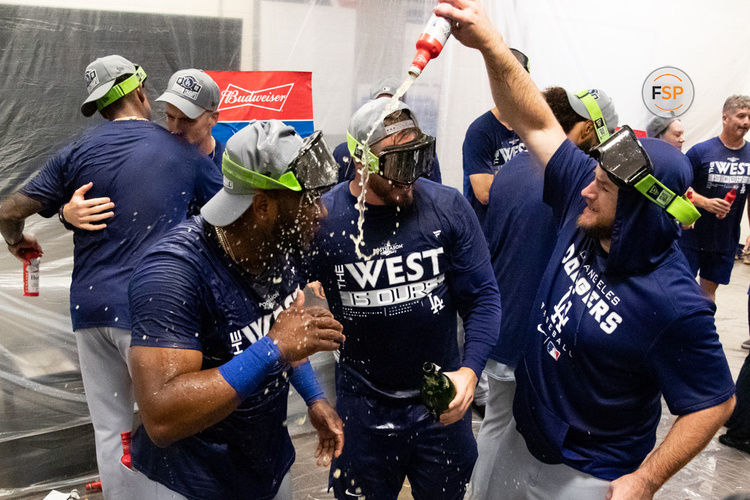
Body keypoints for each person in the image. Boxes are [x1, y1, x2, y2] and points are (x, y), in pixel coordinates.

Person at [436, 1, 736, 499]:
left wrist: (646, 479)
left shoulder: (675, 304)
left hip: (590, 472)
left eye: (602, 188)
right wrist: (489, 43)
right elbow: (530, 120)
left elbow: (713, 403)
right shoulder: (588, 206)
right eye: (591, 177)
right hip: (527, 436)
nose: (586, 191)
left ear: (642, 208)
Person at [0, 54, 222, 499]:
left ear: (99, 105)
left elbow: (7, 211)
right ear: (142, 91)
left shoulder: (75, 154)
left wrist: (17, 239)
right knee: (170, 422)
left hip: (90, 309)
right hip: (153, 311)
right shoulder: (182, 154)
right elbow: (228, 225)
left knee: (112, 428)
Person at [127, 120, 345, 500]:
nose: (320, 212)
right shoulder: (173, 272)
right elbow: (161, 416)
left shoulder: (277, 242)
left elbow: (283, 331)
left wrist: (314, 398)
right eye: (309, 200)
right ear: (262, 204)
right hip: (191, 484)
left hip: (265, 467)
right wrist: (274, 348)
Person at [310, 97, 502, 499]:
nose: (410, 176)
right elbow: (278, 308)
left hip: (439, 398)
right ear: (362, 162)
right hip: (363, 403)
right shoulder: (324, 221)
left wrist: (469, 372)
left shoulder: (447, 206)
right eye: (399, 163)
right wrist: (313, 395)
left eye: (418, 158)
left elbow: (483, 296)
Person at [470, 85, 619, 499]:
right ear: (588, 130)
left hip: (501, 324)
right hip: (532, 341)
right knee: (519, 444)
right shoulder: (575, 186)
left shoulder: (515, 166)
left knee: (495, 428)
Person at [60, 68, 225, 230]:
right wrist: (67, 213)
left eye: (188, 120)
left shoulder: (229, 166)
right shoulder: (153, 154)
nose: (176, 128)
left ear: (213, 118)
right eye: (170, 117)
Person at [678, 95, 750, 308]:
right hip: (691, 236)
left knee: (707, 295)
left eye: (749, 117)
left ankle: (702, 336)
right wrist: (704, 202)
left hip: (724, 238)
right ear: (725, 118)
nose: (746, 122)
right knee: (683, 290)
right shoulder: (701, 152)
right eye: (741, 116)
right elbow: (680, 188)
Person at [461, 48, 529, 225]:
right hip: (488, 230)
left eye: (519, 81)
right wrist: (529, 178)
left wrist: (500, 177)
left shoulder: (531, 124)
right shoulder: (480, 131)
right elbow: (484, 193)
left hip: (520, 225)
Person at [332, 77, 442, 184]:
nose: (387, 111)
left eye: (393, 105)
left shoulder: (422, 154)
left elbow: (435, 195)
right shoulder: (345, 152)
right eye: (380, 105)